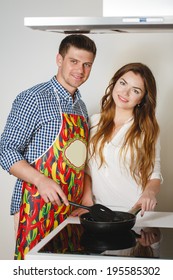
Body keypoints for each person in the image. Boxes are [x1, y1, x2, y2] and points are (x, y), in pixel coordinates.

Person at [0, 34, 97, 259]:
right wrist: (40, 180)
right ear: (59, 60)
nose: (80, 70)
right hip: (36, 205)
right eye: (74, 61)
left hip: (72, 206)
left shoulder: (81, 107)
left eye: (87, 64)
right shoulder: (33, 98)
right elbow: (5, 149)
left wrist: (86, 194)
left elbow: (79, 161)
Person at [72, 62, 162, 218]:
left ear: (141, 99)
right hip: (99, 212)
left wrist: (149, 193)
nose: (125, 93)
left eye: (135, 90)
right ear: (114, 83)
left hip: (135, 212)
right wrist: (87, 200)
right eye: (123, 83)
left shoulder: (148, 130)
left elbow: (154, 174)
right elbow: (86, 168)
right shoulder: (93, 122)